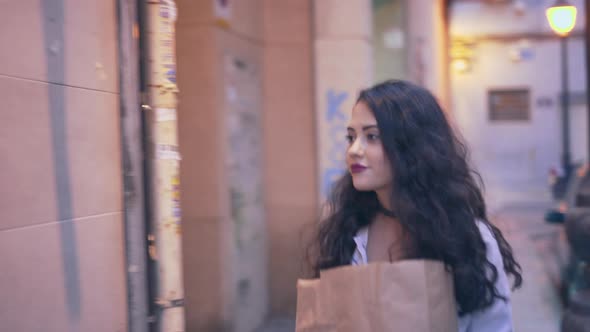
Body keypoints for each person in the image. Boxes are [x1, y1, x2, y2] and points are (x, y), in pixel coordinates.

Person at [310, 80, 522, 332]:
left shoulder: (466, 237)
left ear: (412, 146)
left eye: (372, 136)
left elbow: (493, 326)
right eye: (351, 137)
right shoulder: (347, 231)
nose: (354, 150)